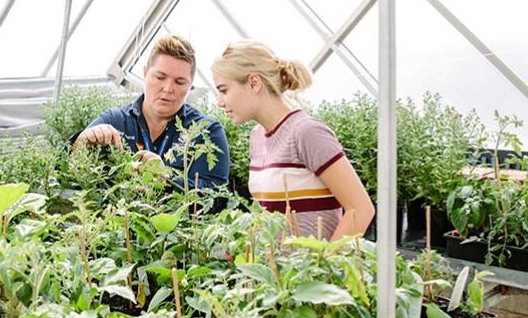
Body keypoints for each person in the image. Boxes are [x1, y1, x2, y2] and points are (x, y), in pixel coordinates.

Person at [211, 41, 373, 239]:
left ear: (254, 83)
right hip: (276, 269)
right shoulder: (257, 137)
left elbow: (361, 209)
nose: (219, 102)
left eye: (224, 90)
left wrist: (323, 265)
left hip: (312, 268)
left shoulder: (306, 132)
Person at [74, 35, 229, 190]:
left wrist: (167, 180)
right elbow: (65, 173)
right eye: (160, 77)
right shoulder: (115, 121)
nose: (168, 88)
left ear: (190, 85)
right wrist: (81, 143)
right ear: (145, 73)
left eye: (179, 82)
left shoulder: (206, 131)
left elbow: (216, 197)